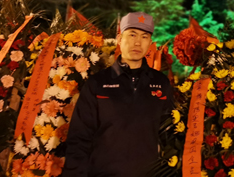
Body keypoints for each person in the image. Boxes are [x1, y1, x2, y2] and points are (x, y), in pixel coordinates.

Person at [63, 12, 173, 177]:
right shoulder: (98, 83)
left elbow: (170, 137)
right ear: (120, 39)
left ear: (150, 43)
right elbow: (79, 138)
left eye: (144, 37)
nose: (137, 42)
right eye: (132, 35)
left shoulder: (161, 83)